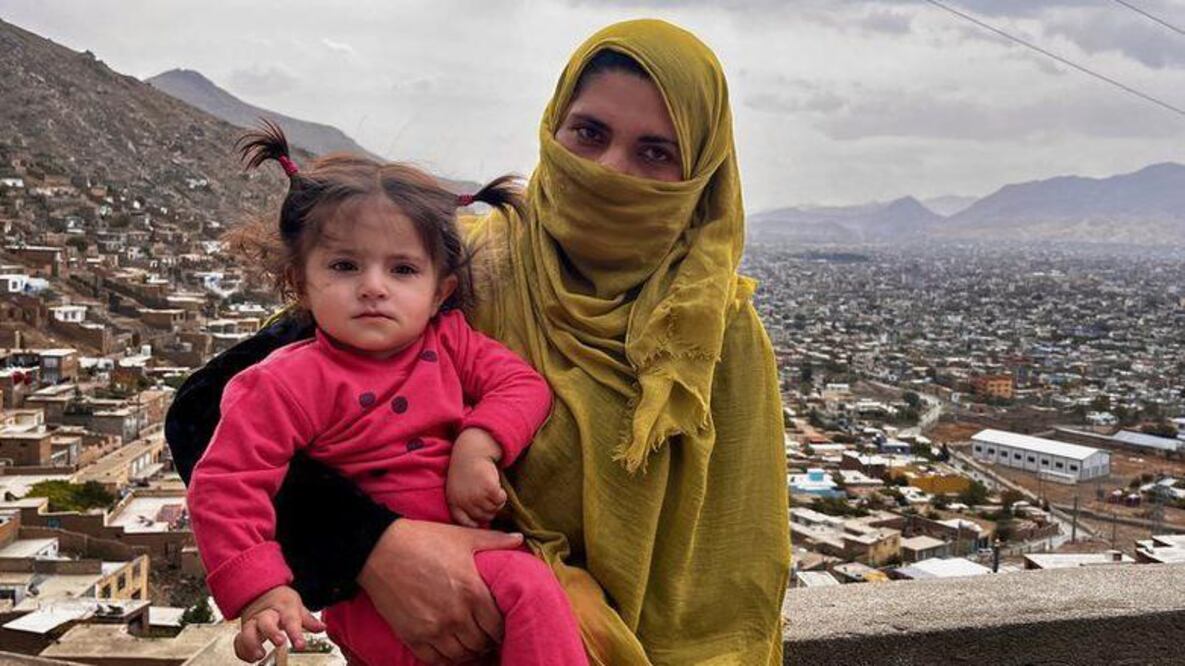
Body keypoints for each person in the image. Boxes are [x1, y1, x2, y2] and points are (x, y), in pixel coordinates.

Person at [167, 18, 790, 665]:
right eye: (589, 134)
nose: (610, 170)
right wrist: (376, 547)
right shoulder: (450, 270)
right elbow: (203, 418)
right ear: (553, 128)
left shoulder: (716, 338)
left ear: (701, 173)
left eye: (655, 152)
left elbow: (737, 568)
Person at [184, 122, 587, 665]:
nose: (373, 286)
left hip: (472, 568)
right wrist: (263, 590)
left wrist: (478, 444)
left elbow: (521, 384)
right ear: (301, 283)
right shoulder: (282, 382)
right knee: (528, 588)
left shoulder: (451, 344)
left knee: (531, 596)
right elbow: (227, 482)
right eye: (345, 266)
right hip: (370, 600)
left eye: (402, 269)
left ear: (439, 292)